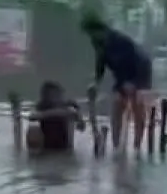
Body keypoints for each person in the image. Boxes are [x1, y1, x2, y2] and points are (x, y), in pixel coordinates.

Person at [80, 13, 153, 153]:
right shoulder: (97, 42)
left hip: (140, 70)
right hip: (121, 75)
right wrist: (96, 82)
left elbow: (136, 60)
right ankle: (116, 145)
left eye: (92, 34)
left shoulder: (121, 41)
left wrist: (133, 83)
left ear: (100, 30)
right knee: (118, 105)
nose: (91, 38)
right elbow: (100, 62)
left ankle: (137, 146)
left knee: (137, 105)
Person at [25, 81, 85, 155]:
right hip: (46, 144)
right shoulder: (42, 106)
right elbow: (32, 116)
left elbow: (81, 126)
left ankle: (67, 152)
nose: (58, 97)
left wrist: (79, 119)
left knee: (70, 118)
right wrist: (57, 112)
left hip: (65, 144)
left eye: (58, 94)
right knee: (33, 129)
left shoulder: (68, 105)